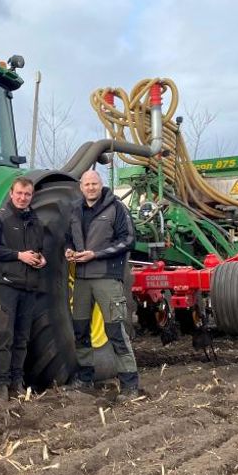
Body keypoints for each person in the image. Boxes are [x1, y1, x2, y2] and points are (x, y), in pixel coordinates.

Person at [64, 170, 140, 402]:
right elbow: (68, 238)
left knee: (115, 330)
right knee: (80, 330)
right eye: (87, 184)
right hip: (82, 278)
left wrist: (95, 254)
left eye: (94, 184)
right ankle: (85, 377)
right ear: (81, 187)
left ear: (101, 184)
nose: (91, 187)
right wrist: (68, 250)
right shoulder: (75, 210)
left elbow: (128, 240)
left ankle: (129, 384)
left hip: (107, 277)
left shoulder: (116, 208)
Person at [0, 176, 47, 402]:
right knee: (5, 336)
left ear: (32, 196)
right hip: (5, 285)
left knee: (22, 338)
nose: (22, 198)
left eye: (27, 194)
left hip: (28, 286)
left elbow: (38, 249)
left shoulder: (36, 222)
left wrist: (41, 259)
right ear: (11, 194)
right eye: (19, 193)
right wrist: (19, 255)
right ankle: (1, 385)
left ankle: (17, 383)